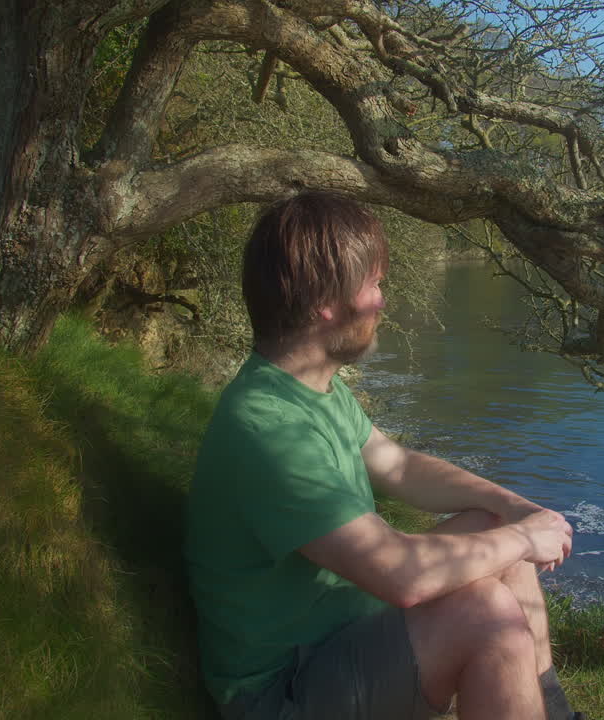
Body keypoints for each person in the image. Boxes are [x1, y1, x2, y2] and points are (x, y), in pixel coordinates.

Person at [185, 192, 580, 720]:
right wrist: (526, 538)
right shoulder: (268, 428)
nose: (382, 300)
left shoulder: (314, 389)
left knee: (493, 528)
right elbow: (402, 575)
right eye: (373, 284)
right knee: (484, 613)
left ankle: (557, 712)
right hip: (282, 690)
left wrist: (512, 508)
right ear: (326, 303)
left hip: (337, 633)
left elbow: (398, 466)